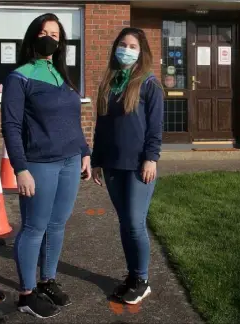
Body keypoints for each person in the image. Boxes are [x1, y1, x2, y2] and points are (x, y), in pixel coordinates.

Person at [1, 13, 91, 319]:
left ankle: (47, 281)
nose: (48, 37)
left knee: (57, 225)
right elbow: (11, 126)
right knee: (34, 228)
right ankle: (27, 293)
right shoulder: (20, 77)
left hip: (69, 162)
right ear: (32, 37)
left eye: (54, 34)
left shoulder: (62, 76)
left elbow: (73, 121)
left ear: (60, 42)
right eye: (43, 32)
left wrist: (85, 152)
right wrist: (20, 168)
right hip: (39, 164)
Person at [91, 27, 164, 306]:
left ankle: (142, 280)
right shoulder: (109, 82)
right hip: (111, 164)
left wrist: (151, 158)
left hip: (137, 165)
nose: (127, 49)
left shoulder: (149, 84)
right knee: (125, 224)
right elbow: (102, 126)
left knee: (135, 223)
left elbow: (155, 127)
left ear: (141, 51)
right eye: (123, 44)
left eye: (133, 46)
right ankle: (133, 277)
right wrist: (97, 160)